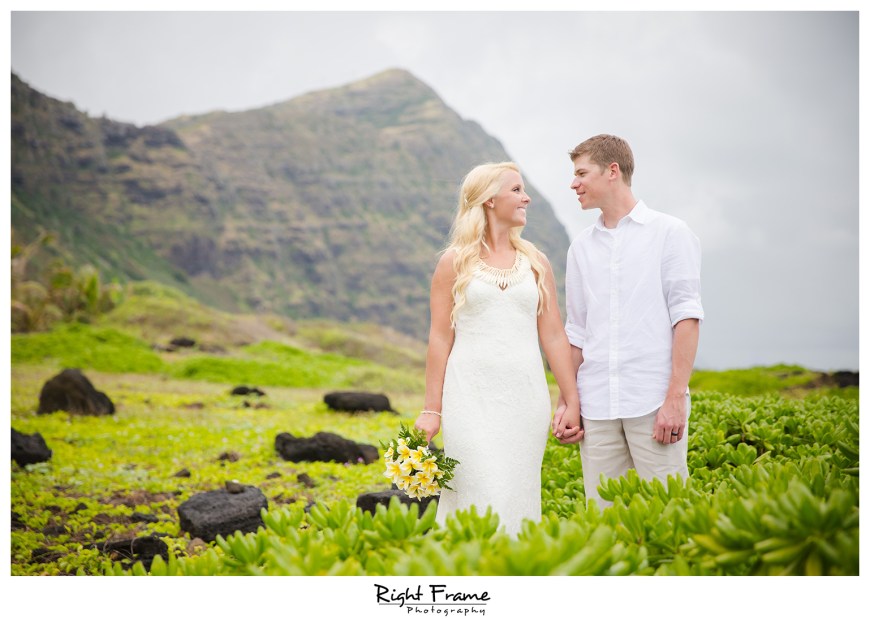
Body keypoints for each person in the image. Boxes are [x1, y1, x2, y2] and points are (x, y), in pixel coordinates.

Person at [414, 161, 582, 536]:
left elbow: (553, 335)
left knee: (516, 497)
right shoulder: (453, 262)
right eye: (517, 190)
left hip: (526, 400)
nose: (527, 198)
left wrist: (571, 400)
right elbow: (440, 339)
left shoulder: (536, 262)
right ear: (490, 200)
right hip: (468, 399)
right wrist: (431, 410)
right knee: (476, 491)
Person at [552, 134, 704, 508]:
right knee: (604, 519)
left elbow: (687, 317)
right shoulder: (580, 248)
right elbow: (577, 332)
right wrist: (567, 402)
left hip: (652, 402)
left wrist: (675, 399)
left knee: (671, 513)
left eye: (581, 173)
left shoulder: (671, 233)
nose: (574, 183)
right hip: (597, 405)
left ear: (612, 172)